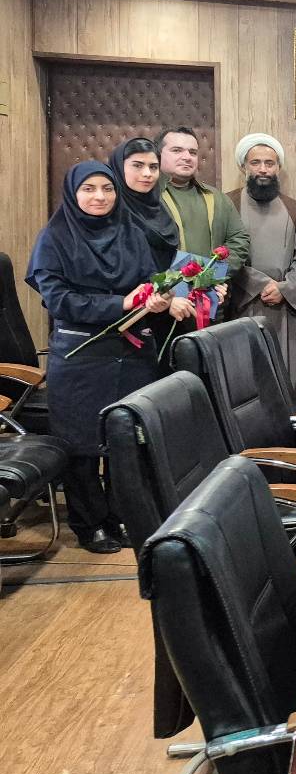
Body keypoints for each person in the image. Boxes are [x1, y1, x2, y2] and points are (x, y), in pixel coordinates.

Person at [26, 162, 171, 552]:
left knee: (126, 444)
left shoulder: (130, 231)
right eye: (88, 189)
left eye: (107, 189)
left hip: (132, 353)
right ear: (73, 193)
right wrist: (120, 303)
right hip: (81, 357)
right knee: (82, 446)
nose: (99, 197)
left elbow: (148, 281)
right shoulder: (54, 238)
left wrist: (156, 298)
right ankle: (89, 524)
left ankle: (121, 516)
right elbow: (60, 301)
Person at [225, 133, 296, 389]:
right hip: (241, 303)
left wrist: (285, 288)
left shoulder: (295, 209)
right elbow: (222, 254)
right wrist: (260, 284)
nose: (263, 169)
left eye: (269, 163)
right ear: (244, 167)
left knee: (283, 377)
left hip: (284, 307)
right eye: (255, 163)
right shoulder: (227, 204)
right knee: (243, 377)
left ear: (278, 168)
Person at [156, 126, 250, 278]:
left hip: (212, 288)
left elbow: (239, 239)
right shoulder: (148, 197)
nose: (187, 157)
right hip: (162, 289)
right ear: (158, 155)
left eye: (192, 152)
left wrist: (212, 276)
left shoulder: (217, 198)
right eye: (177, 150)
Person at [107, 137, 179, 271]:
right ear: (119, 167)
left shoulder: (159, 210)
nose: (147, 174)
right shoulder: (107, 213)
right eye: (137, 165)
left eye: (153, 167)